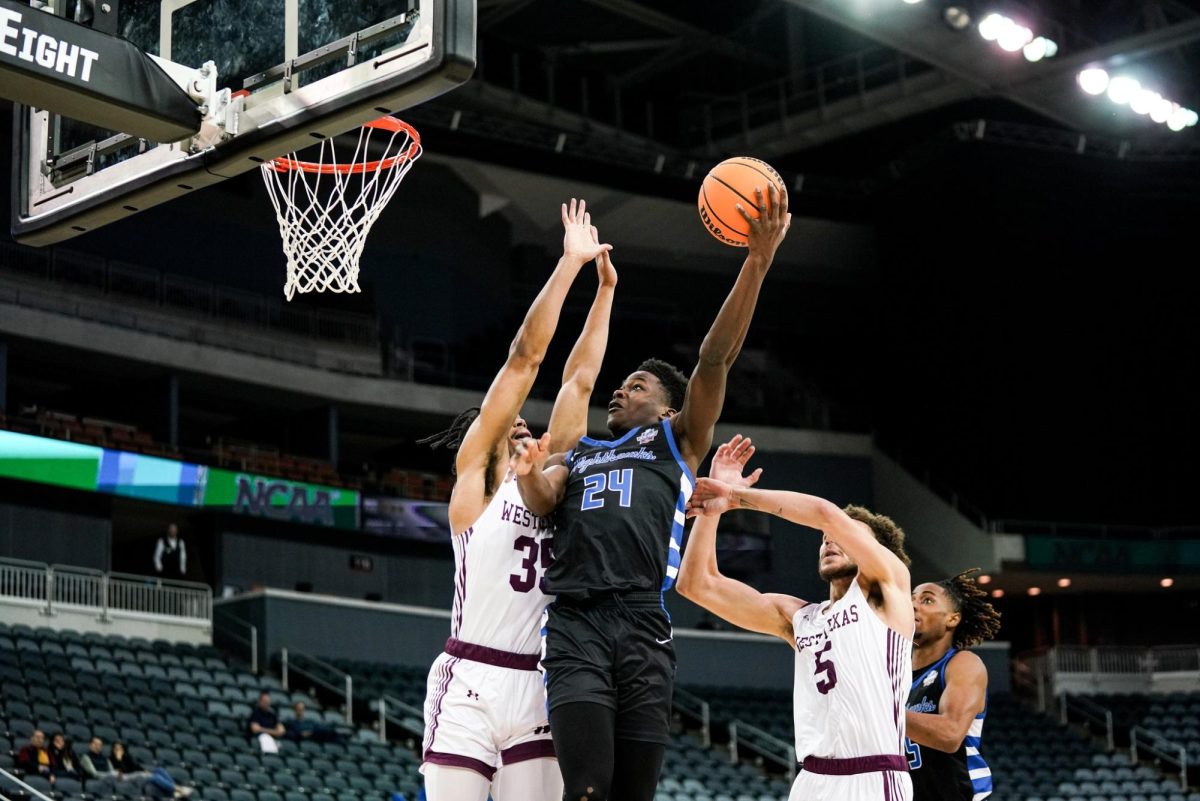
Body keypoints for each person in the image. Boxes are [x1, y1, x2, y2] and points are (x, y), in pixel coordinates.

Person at [512, 186, 791, 801]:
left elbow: (715, 359)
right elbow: (540, 499)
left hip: (643, 622)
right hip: (576, 621)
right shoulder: (579, 452)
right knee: (585, 790)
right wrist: (530, 467)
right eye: (621, 385)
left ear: (666, 406)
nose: (619, 392)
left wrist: (757, 261)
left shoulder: (677, 441)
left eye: (634, 386)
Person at [418, 199, 615, 801]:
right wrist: (568, 265)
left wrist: (604, 291)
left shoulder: (552, 480)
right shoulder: (475, 486)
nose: (525, 424)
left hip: (537, 681)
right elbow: (525, 359)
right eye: (512, 422)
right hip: (470, 676)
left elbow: (578, 382)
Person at [679, 434, 914, 801]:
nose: (829, 539)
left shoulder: (888, 589)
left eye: (843, 536)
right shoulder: (800, 617)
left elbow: (825, 514)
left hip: (873, 776)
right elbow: (697, 585)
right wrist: (712, 511)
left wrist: (735, 495)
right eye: (823, 538)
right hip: (811, 781)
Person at [906, 569, 1002, 801]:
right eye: (911, 599)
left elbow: (949, 735)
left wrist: (877, 710)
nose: (913, 605)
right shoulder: (893, 673)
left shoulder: (962, 663)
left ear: (953, 618)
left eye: (927, 600)